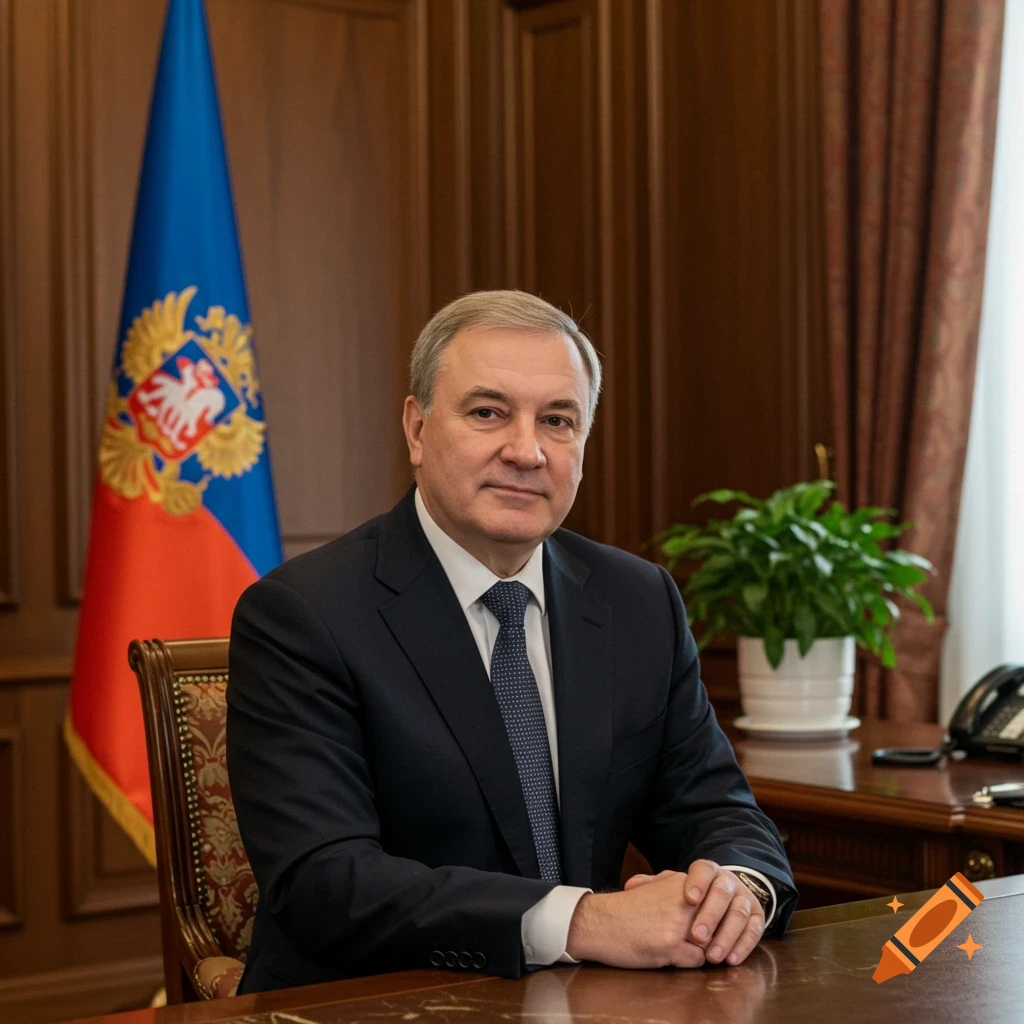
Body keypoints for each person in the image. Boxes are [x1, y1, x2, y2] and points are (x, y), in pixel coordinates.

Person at [227, 290, 797, 994]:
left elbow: (718, 812)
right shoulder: (303, 614)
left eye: (557, 420)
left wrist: (735, 893)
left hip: (589, 1002)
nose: (526, 451)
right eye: (488, 412)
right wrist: (584, 921)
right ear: (416, 428)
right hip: (379, 1001)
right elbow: (327, 883)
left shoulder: (637, 600)